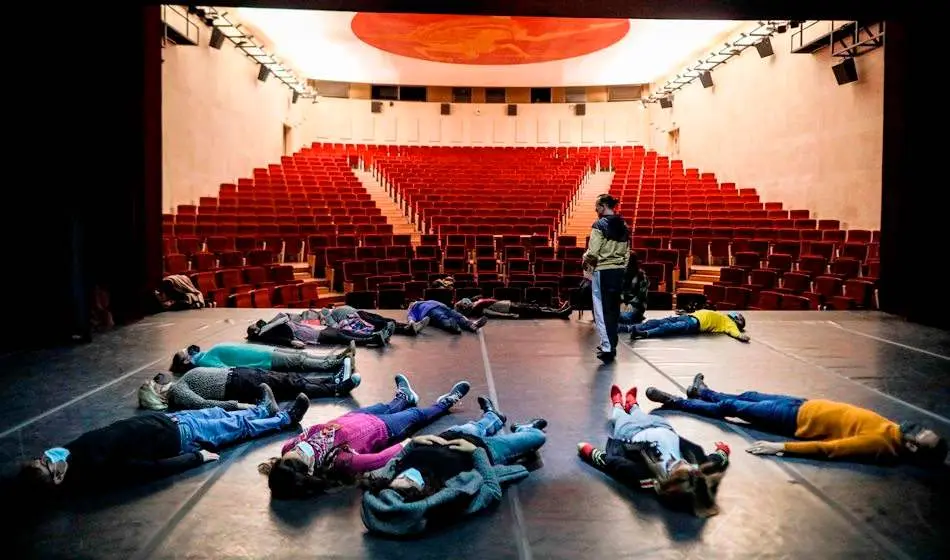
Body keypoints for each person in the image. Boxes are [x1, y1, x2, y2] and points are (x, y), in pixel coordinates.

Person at [17, 384, 311, 498]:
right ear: (56, 479)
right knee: (238, 426)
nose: (48, 457)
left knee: (220, 411)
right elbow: (152, 468)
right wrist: (197, 458)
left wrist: (45, 463)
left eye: (43, 458)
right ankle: (286, 419)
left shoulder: (68, 456)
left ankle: (264, 409)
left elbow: (54, 457)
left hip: (172, 420)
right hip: (181, 437)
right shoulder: (96, 469)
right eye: (46, 464)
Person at [645, 374, 949, 465]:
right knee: (749, 394)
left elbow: (829, 450)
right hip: (803, 404)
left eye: (920, 436)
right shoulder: (894, 429)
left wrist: (782, 448)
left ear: (912, 449)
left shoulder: (882, 444)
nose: (917, 428)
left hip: (793, 420)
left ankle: (678, 402)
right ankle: (703, 391)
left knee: (733, 408)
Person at [360, 396, 548, 536]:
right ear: (423, 492)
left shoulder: (386, 484)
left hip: (448, 436)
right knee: (537, 437)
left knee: (475, 427)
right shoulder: (448, 498)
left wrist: (414, 444)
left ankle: (492, 416)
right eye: (409, 481)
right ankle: (526, 428)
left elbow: (395, 460)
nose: (404, 476)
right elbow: (492, 490)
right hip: (487, 450)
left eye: (398, 480)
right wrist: (476, 452)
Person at [260, 374, 471, 498]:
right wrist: (410, 443)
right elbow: (379, 459)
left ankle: (405, 397)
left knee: (387, 405)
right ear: (310, 469)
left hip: (355, 416)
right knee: (416, 414)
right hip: (383, 428)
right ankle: (446, 403)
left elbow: (291, 448)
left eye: (292, 453)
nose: (299, 448)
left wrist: (291, 454)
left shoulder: (289, 449)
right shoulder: (341, 462)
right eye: (301, 455)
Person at [577, 384, 730, 517]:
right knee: (640, 415)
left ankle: (617, 404)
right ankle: (633, 404)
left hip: (631, 433)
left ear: (671, 479)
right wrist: (722, 451)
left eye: (683, 468)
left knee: (620, 417)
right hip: (661, 426)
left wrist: (590, 452)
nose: (688, 465)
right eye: (692, 468)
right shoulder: (697, 470)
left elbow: (613, 464)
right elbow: (715, 462)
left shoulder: (644, 476)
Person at [137, 363, 360, 412]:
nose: (159, 382)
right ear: (157, 393)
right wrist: (238, 406)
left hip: (238, 375)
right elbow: (204, 404)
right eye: (155, 385)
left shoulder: (178, 384)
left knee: (289, 379)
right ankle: (337, 388)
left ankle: (333, 382)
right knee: (290, 385)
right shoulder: (177, 392)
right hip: (238, 385)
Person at [583, 194, 630, 363]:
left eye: (597, 206)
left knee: (601, 311)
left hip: (602, 271)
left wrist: (585, 261)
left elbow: (593, 253)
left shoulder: (599, 225)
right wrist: (621, 268)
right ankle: (612, 344)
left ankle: (607, 347)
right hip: (617, 272)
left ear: (603, 206)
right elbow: (627, 253)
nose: (596, 210)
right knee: (613, 310)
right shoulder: (624, 225)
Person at [170, 341, 354, 375]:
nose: (190, 350)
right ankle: (333, 364)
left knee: (300, 355)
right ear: (187, 360)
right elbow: (225, 371)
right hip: (263, 360)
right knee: (299, 361)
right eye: (186, 352)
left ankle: (335, 358)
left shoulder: (207, 354)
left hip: (264, 352)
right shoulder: (203, 362)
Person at [247, 311, 390, 348]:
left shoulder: (269, 327)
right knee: (342, 337)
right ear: (256, 331)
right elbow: (283, 320)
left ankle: (373, 336)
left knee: (342, 333)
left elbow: (284, 317)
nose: (258, 323)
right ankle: (372, 339)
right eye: (256, 326)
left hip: (311, 329)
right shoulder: (267, 332)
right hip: (311, 335)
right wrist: (291, 343)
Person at [629, 310, 749, 342]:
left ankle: (643, 334)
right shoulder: (722, 315)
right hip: (689, 317)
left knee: (667, 327)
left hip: (694, 324)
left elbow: (734, 332)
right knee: (660, 321)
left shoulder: (730, 323)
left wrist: (740, 336)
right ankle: (637, 328)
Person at [316, 306, 429, 337]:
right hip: (357, 317)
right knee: (381, 323)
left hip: (359, 313)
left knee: (384, 321)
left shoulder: (333, 312)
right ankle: (408, 330)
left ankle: (411, 326)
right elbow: (335, 327)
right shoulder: (329, 316)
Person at [407, 300, 487, 334]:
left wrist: (444, 306)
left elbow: (438, 302)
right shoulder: (412, 309)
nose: (411, 303)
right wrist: (412, 324)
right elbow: (410, 318)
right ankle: (453, 327)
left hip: (444, 308)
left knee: (457, 316)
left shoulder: (426, 301)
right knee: (441, 318)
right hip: (430, 311)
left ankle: (472, 325)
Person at [454, 297, 572, 320]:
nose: (466, 303)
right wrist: (510, 316)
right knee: (537, 312)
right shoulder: (479, 309)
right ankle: (560, 314)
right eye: (464, 305)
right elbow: (494, 314)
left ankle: (558, 310)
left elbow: (470, 298)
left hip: (510, 304)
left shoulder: (476, 303)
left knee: (535, 307)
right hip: (511, 310)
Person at [618, 251, 649, 329]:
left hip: (636, 305)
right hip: (622, 304)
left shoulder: (641, 275)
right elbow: (619, 290)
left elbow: (641, 295)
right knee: (610, 315)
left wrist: (630, 304)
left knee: (623, 317)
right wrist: (622, 302)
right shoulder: (621, 274)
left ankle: (634, 320)